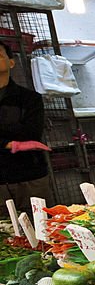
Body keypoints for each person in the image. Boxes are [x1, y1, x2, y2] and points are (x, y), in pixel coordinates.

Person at [0, 41, 52, 211]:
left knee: (42, 228)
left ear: (11, 62)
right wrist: (10, 143)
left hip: (30, 177)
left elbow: (31, 133)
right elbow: (21, 133)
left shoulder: (30, 99)